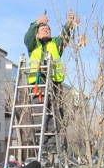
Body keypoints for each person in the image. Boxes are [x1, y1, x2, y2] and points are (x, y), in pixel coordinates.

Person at [24, 10, 76, 149]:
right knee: (40, 113)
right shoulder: (33, 44)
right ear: (37, 32)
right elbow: (27, 37)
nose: (45, 30)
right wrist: (37, 22)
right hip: (38, 84)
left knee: (55, 114)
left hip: (54, 84)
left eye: (47, 28)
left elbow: (64, 36)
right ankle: (42, 143)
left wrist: (69, 23)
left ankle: (53, 144)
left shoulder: (55, 43)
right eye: (42, 28)